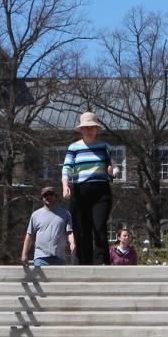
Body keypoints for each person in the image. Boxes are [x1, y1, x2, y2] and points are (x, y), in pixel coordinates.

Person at [62, 110, 115, 265]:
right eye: (86, 128)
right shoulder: (74, 147)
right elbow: (67, 167)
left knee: (99, 227)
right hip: (80, 191)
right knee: (81, 230)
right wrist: (65, 185)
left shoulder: (104, 147)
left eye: (92, 127)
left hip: (101, 191)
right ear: (81, 130)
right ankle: (85, 263)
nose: (89, 130)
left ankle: (102, 262)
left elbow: (114, 166)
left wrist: (113, 171)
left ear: (96, 129)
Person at [19, 186, 75, 267]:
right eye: (45, 195)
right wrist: (24, 254)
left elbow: (70, 232)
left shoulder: (65, 213)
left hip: (59, 258)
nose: (48, 197)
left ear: (55, 196)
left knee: (58, 280)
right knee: (40, 280)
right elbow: (29, 236)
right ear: (42, 198)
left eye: (51, 194)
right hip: (40, 258)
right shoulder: (36, 215)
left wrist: (72, 244)